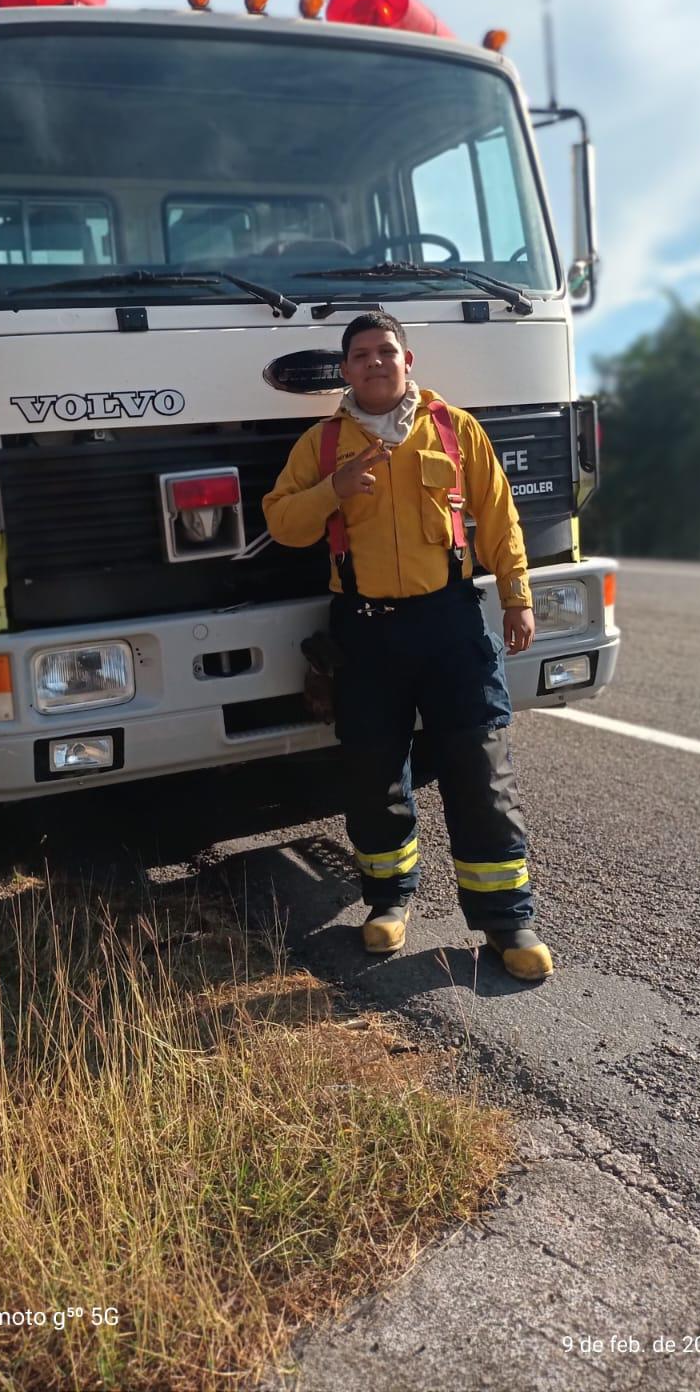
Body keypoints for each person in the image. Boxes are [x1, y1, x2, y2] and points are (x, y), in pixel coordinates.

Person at [262, 311, 552, 981]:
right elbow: (281, 523)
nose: (375, 362)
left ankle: (509, 922)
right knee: (373, 773)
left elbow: (500, 515)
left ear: (407, 359)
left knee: (480, 768)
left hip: (450, 621)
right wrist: (330, 493)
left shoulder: (452, 429)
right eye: (361, 354)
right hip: (364, 629)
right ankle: (388, 904)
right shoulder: (323, 445)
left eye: (385, 351)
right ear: (345, 370)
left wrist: (517, 596)